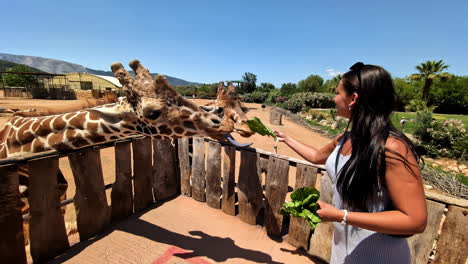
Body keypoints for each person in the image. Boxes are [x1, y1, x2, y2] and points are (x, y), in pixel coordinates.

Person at [275, 62, 427, 264]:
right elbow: (316, 157)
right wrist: (287, 139)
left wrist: (341, 216)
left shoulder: (392, 148)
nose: (334, 98)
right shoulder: (346, 138)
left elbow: (415, 221)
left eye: (338, 92)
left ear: (353, 99)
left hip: (381, 257)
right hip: (344, 252)